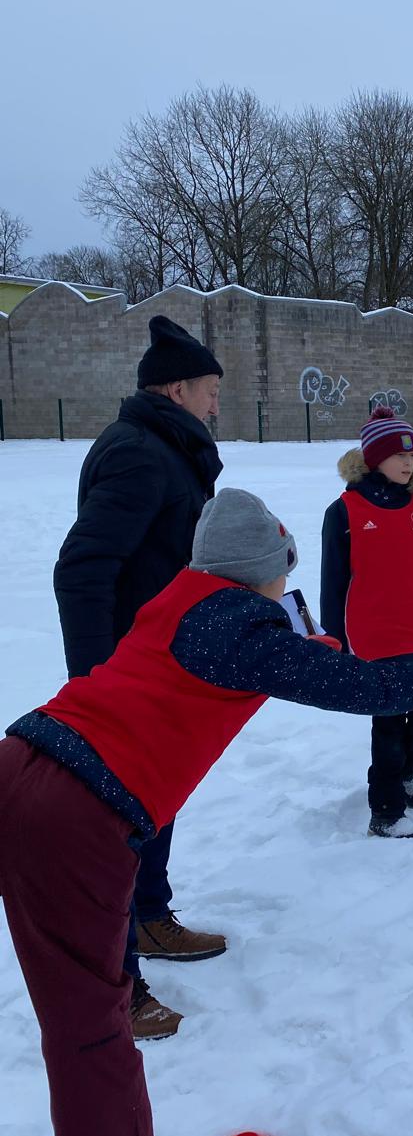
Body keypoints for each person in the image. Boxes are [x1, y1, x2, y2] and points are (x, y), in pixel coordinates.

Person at [0, 488, 413, 1136]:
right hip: (76, 817)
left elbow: (255, 642)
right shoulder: (238, 631)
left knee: (84, 1014)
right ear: (262, 572)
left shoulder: (182, 601)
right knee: (90, 1029)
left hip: (23, 758)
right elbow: (357, 688)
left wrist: (296, 634)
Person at [53, 315, 227, 1041]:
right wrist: (98, 680)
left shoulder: (167, 448)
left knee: (156, 795)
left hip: (162, 660)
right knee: (121, 821)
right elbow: (83, 568)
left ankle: (150, 915)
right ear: (178, 389)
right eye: (211, 391)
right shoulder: (138, 454)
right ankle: (116, 985)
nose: (216, 404)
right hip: (128, 671)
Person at [321, 407, 413, 838]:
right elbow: (333, 582)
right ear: (374, 458)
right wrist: (334, 641)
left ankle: (405, 768)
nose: (408, 462)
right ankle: (385, 812)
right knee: (387, 723)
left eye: (412, 455)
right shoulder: (344, 511)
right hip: (376, 638)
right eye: (398, 455)